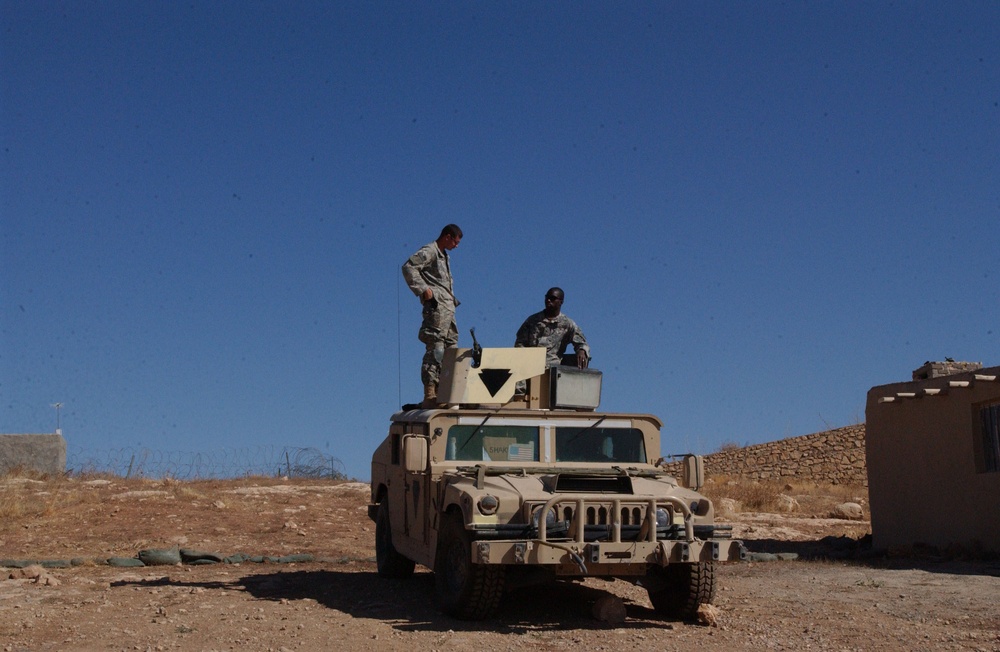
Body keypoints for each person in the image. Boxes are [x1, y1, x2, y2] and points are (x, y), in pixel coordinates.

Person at [402, 224, 463, 407]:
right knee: (435, 348)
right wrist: (424, 290)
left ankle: (444, 392)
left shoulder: (444, 255)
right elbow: (408, 267)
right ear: (447, 236)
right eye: (455, 241)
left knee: (451, 349)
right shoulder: (430, 251)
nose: (456, 246)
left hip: (447, 309)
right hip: (436, 308)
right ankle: (430, 393)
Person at [515, 287, 590, 368]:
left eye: (553, 298)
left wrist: (582, 351)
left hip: (552, 369)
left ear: (561, 302)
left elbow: (581, 342)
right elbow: (520, 343)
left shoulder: (567, 324)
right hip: (531, 367)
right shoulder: (532, 321)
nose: (548, 300)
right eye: (547, 297)